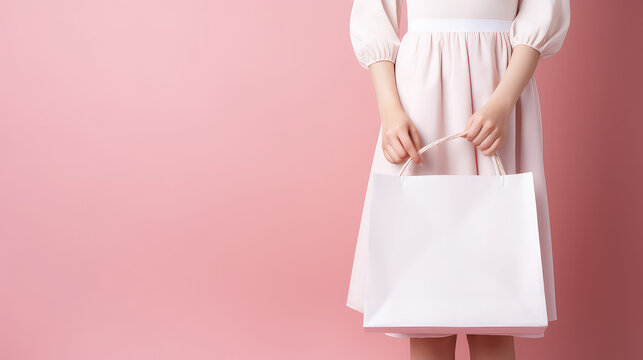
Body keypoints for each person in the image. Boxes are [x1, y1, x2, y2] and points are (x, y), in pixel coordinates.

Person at [346, 1, 570, 359]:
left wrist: (504, 101)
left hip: (501, 88)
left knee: (497, 308)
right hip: (420, 94)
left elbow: (543, 11)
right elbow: (374, 13)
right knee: (424, 305)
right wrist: (389, 110)